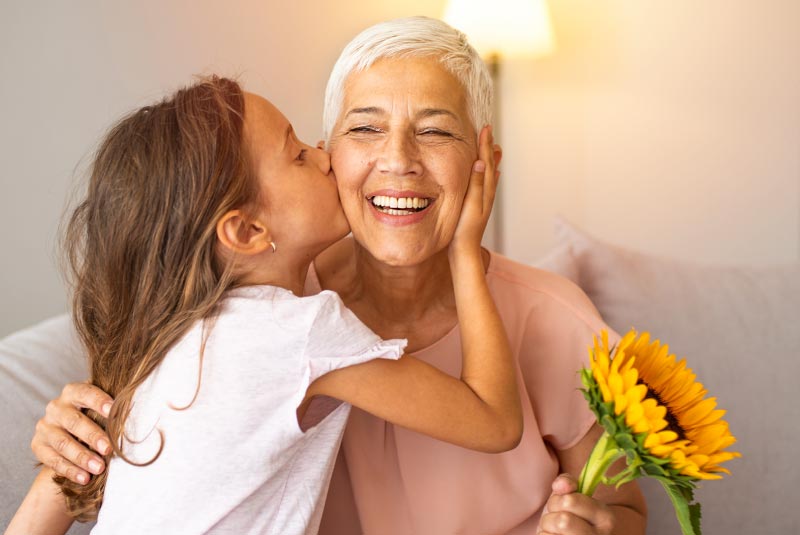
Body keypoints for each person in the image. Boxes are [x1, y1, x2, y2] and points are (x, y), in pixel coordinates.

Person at [26, 17, 647, 535]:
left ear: (485, 163)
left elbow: (626, 509)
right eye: (363, 129)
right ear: (332, 154)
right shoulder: (273, 310)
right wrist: (74, 444)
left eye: (434, 131)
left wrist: (600, 524)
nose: (398, 160)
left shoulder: (558, 322)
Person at [6, 75, 521, 534]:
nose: (323, 153)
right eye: (297, 154)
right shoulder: (300, 329)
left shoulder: (177, 334)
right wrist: (464, 252)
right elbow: (493, 422)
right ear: (248, 230)